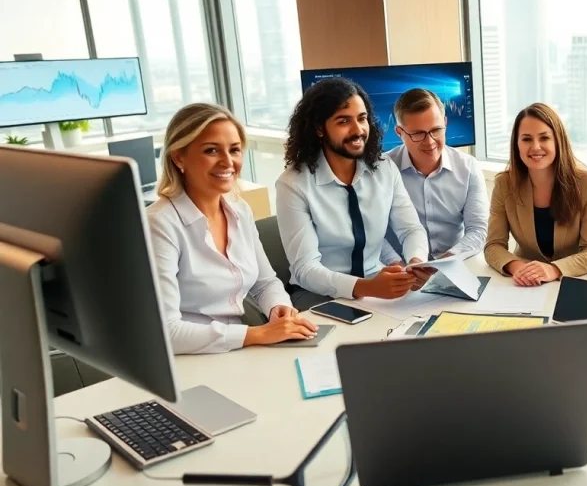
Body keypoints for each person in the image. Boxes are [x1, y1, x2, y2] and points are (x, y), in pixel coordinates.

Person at [147, 103, 318, 355]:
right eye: (211, 150)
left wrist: (278, 308)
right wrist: (257, 334)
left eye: (235, 150)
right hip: (186, 358)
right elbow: (167, 332)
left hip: (237, 351)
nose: (228, 162)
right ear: (178, 157)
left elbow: (265, 283)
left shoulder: (240, 210)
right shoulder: (159, 223)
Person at [276, 78, 430, 310]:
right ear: (319, 128)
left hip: (375, 283)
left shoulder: (384, 168)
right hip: (318, 293)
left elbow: (411, 230)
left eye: (362, 118)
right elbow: (305, 269)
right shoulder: (293, 184)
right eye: (343, 121)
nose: (358, 130)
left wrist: (416, 263)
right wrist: (367, 287)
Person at [484, 103, 587, 285]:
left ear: (558, 141)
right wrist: (519, 268)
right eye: (526, 139)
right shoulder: (504, 184)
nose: (536, 147)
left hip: (569, 282)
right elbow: (493, 246)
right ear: (516, 144)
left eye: (544, 138)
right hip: (524, 283)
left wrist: (553, 270)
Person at [379, 88, 488, 265]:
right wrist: (398, 267)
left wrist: (439, 266)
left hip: (454, 265)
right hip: (398, 269)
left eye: (436, 130)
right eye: (418, 134)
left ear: (445, 122)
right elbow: (374, 235)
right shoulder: (382, 170)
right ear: (400, 132)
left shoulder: (468, 167)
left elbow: (478, 230)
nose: (429, 142)